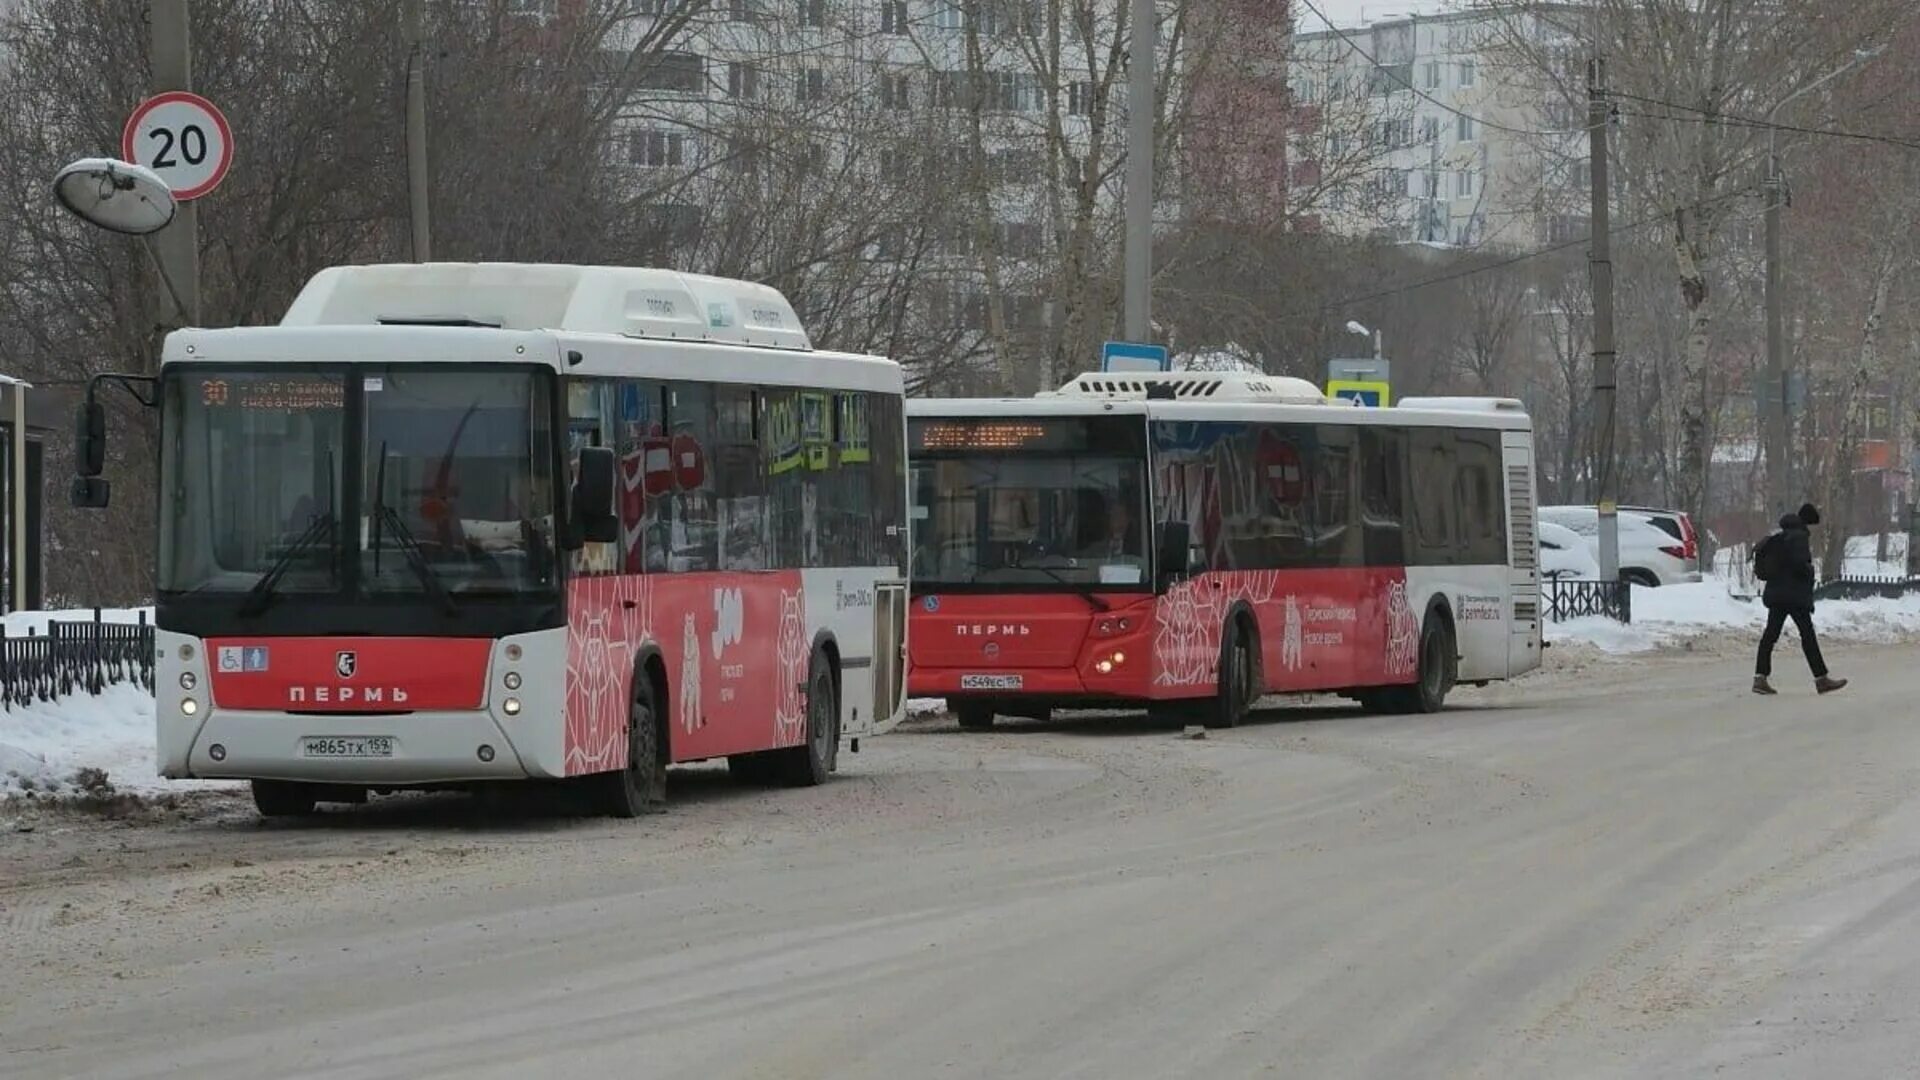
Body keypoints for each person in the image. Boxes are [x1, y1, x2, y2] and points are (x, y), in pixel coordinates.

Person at [1754, 502, 1847, 696]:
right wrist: (1809, 570)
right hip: (1793, 595)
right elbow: (1799, 565)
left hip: (1777, 593)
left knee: (1770, 635)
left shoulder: (1781, 536)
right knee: (1808, 635)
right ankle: (1821, 679)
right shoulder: (1799, 537)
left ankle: (1760, 678)